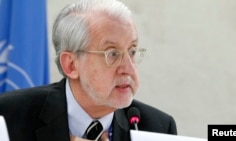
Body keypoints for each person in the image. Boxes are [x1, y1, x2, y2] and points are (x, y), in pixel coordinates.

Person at [0, 0, 177, 141]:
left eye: (132, 51)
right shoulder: (8, 115)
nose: (128, 69)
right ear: (71, 65)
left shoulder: (156, 127)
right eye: (112, 53)